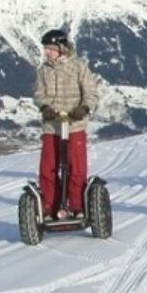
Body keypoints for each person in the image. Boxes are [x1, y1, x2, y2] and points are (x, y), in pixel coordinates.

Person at [33, 28, 100, 220]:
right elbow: (38, 94)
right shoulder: (44, 70)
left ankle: (77, 206)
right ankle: (49, 207)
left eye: (51, 48)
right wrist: (44, 107)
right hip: (52, 126)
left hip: (74, 124)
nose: (47, 52)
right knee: (48, 167)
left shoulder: (78, 67)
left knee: (76, 167)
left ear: (62, 48)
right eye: (46, 48)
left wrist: (84, 108)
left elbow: (91, 93)